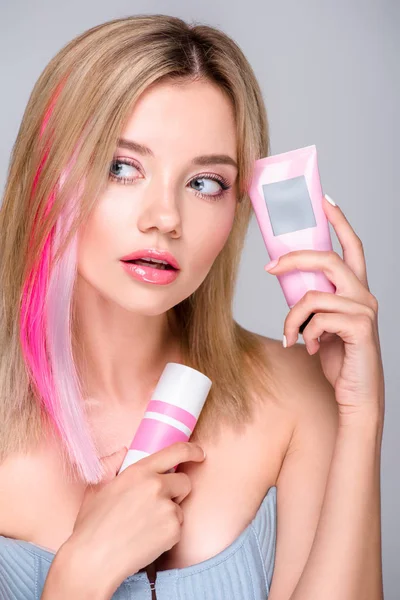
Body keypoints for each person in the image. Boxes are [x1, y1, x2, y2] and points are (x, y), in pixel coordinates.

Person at [0, 13, 384, 600]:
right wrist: (78, 578)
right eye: (120, 167)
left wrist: (360, 418)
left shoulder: (292, 394)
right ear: (46, 174)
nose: (166, 218)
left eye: (205, 183)